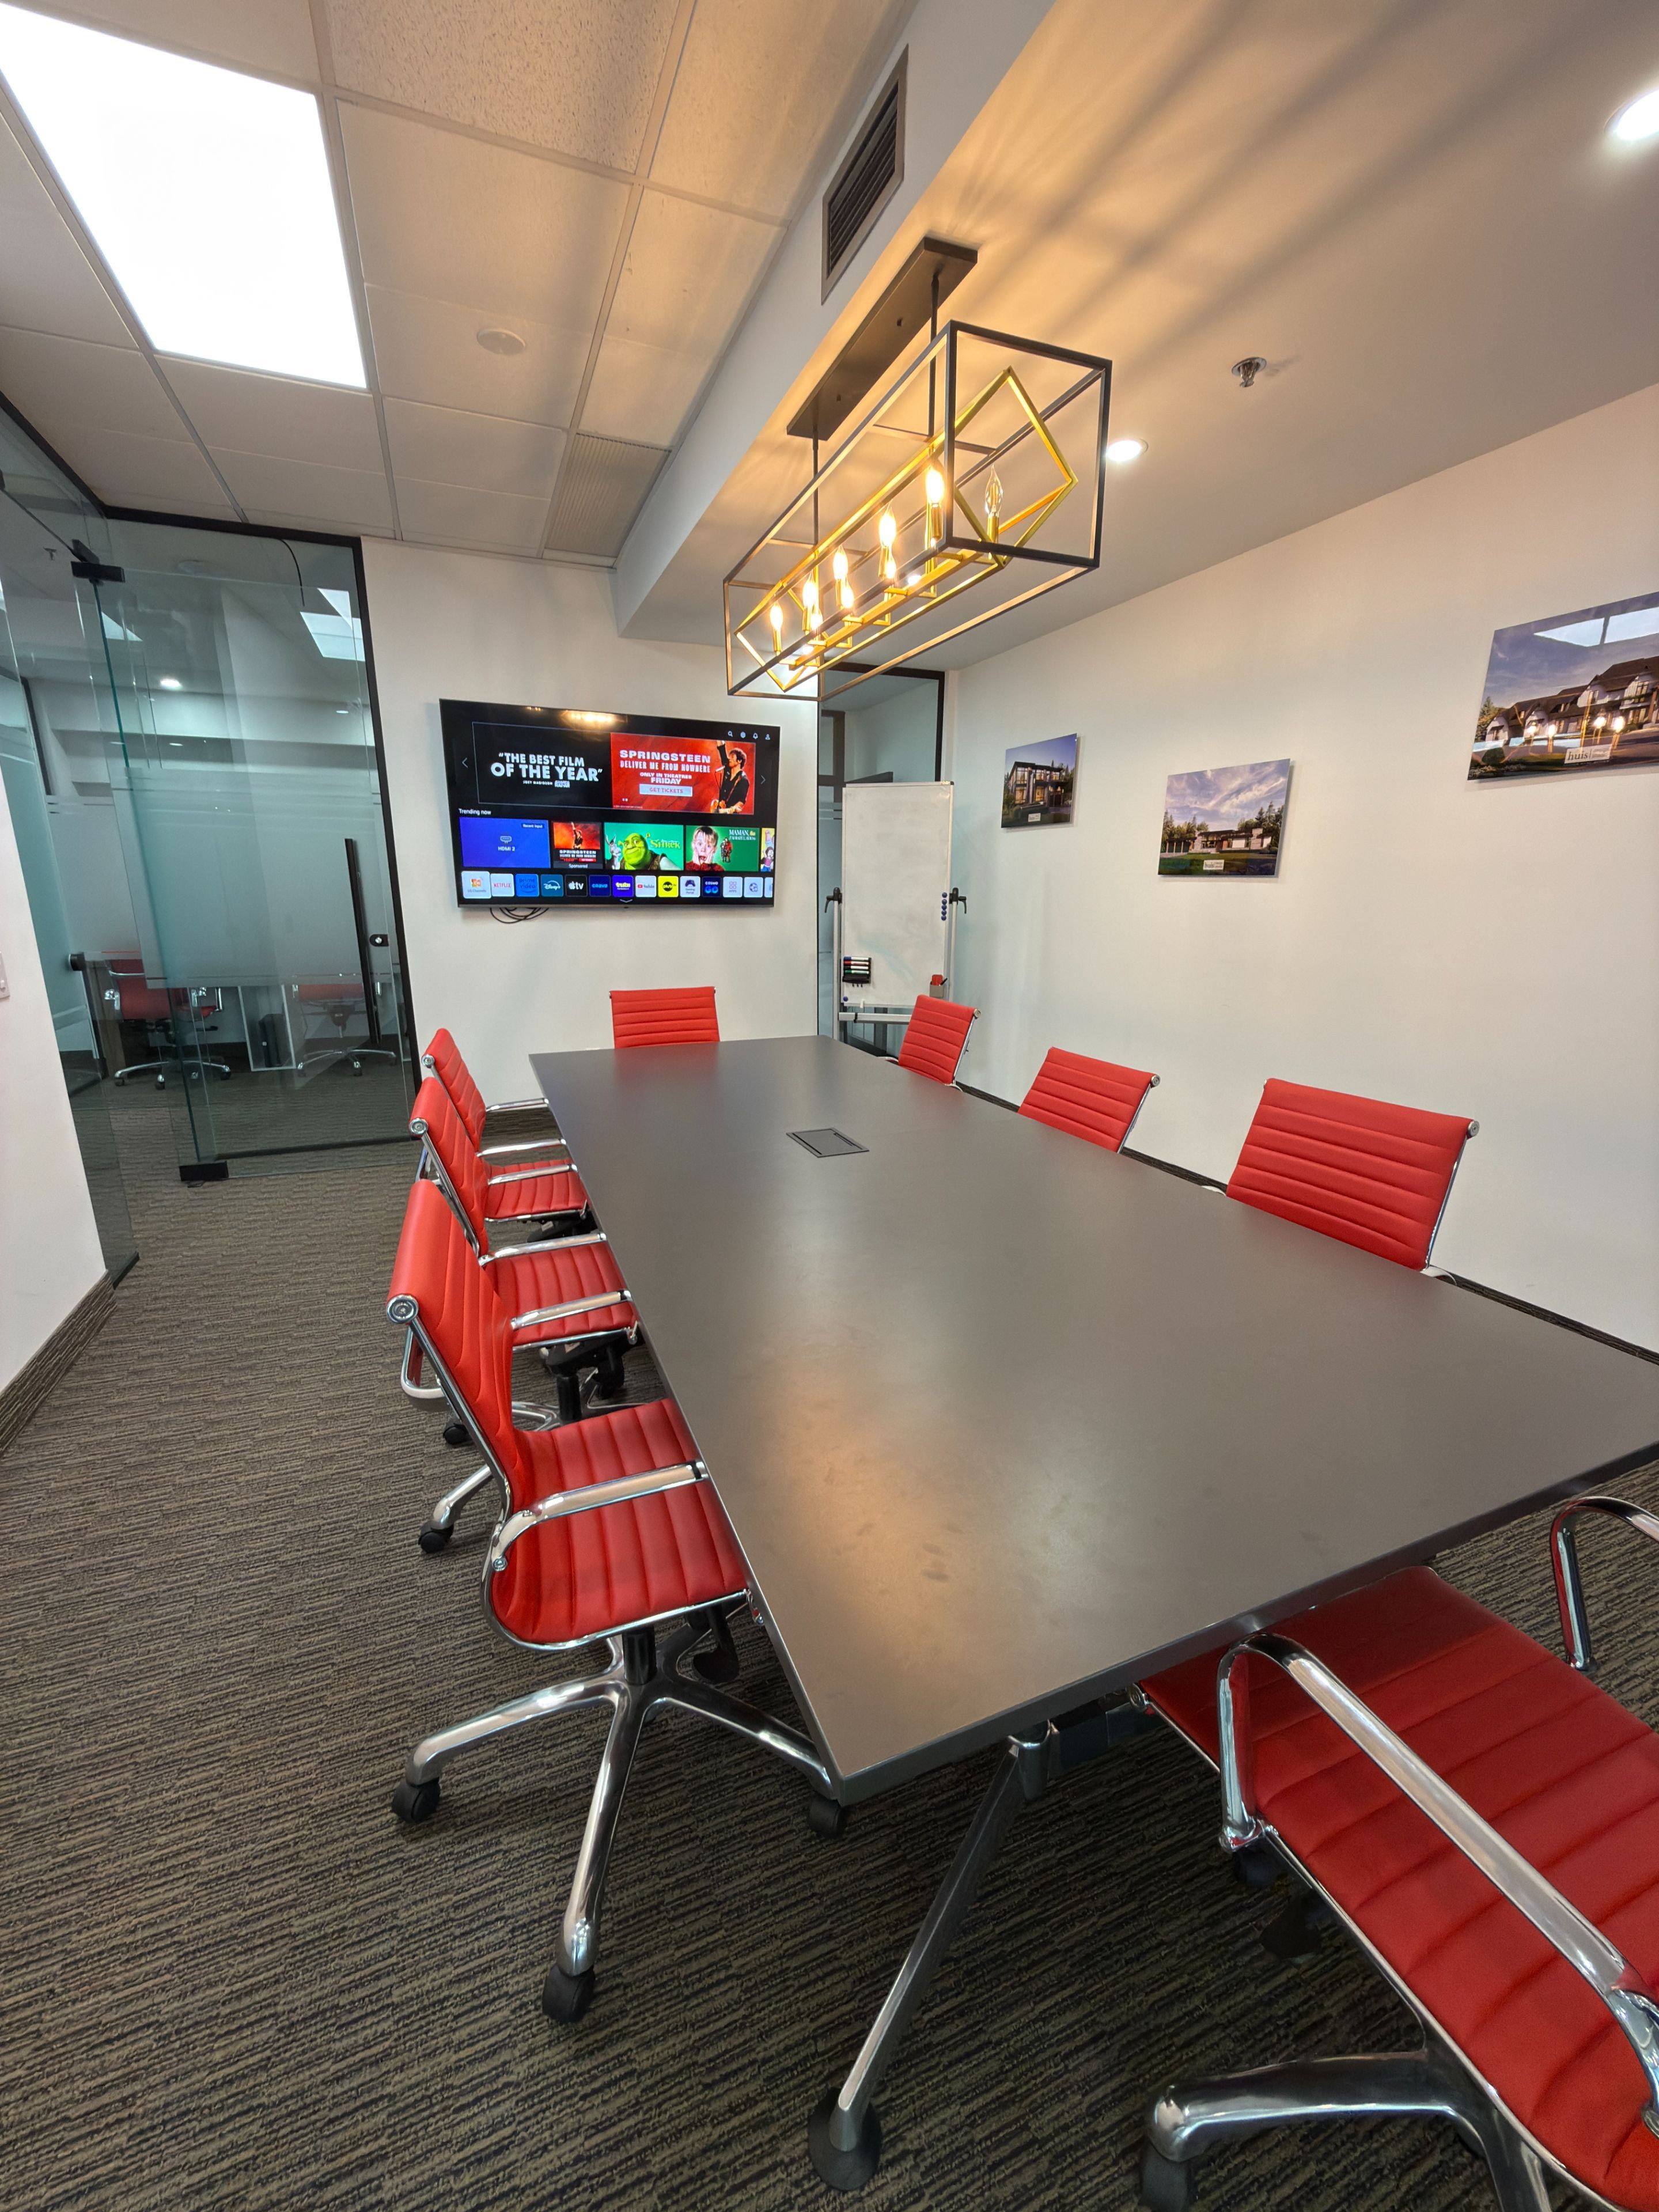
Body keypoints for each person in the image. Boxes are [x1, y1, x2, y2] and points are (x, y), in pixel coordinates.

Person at [714, 740, 751, 813]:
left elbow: (741, 802)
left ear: (739, 761)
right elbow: (722, 748)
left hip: (731, 815)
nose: (729, 759)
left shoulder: (744, 780)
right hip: (720, 811)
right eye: (730, 757)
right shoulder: (727, 768)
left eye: (733, 757)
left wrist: (730, 810)